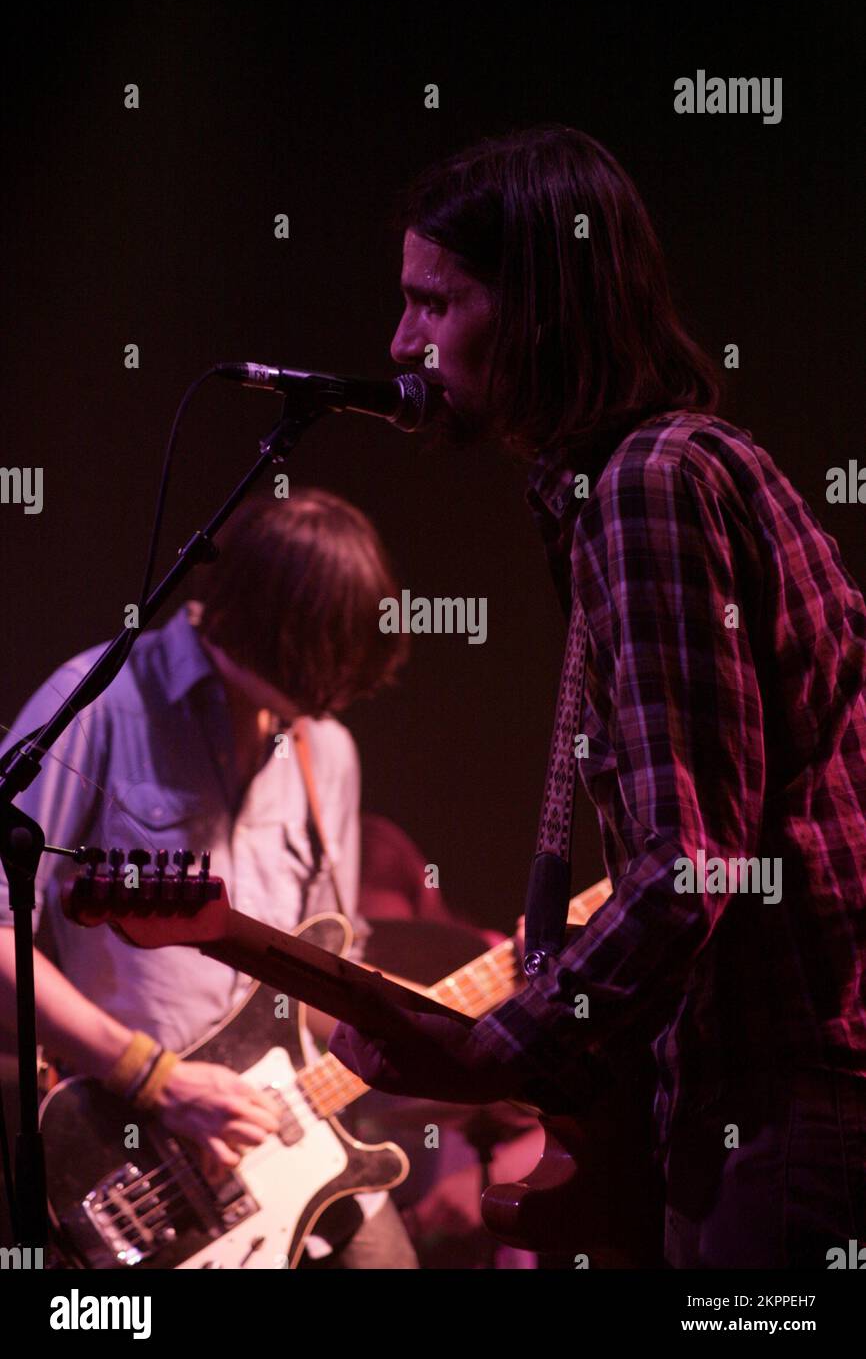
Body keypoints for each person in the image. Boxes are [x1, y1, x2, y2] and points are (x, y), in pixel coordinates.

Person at [330, 124, 866, 1269]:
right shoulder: (664, 472)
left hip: (784, 1100)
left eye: (437, 301)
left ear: (536, 304)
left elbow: (689, 871)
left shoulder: (649, 488)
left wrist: (493, 1052)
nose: (400, 341)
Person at [0, 486, 419, 1268]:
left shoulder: (325, 748)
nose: (333, 700)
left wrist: (465, 1021)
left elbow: (324, 983)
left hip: (298, 1142)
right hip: (134, 1156)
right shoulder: (95, 705)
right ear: (279, 632)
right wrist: (156, 1080)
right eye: (325, 667)